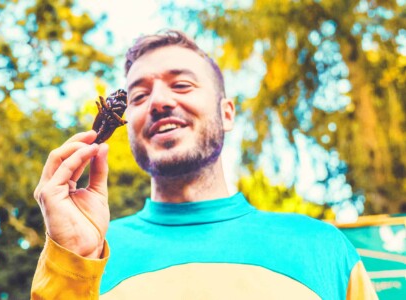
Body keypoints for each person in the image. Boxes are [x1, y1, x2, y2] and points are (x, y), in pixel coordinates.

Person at [31, 30, 377, 299]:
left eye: (181, 84)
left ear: (227, 113)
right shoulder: (86, 259)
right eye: (138, 96)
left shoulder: (323, 247)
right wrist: (73, 263)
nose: (160, 102)